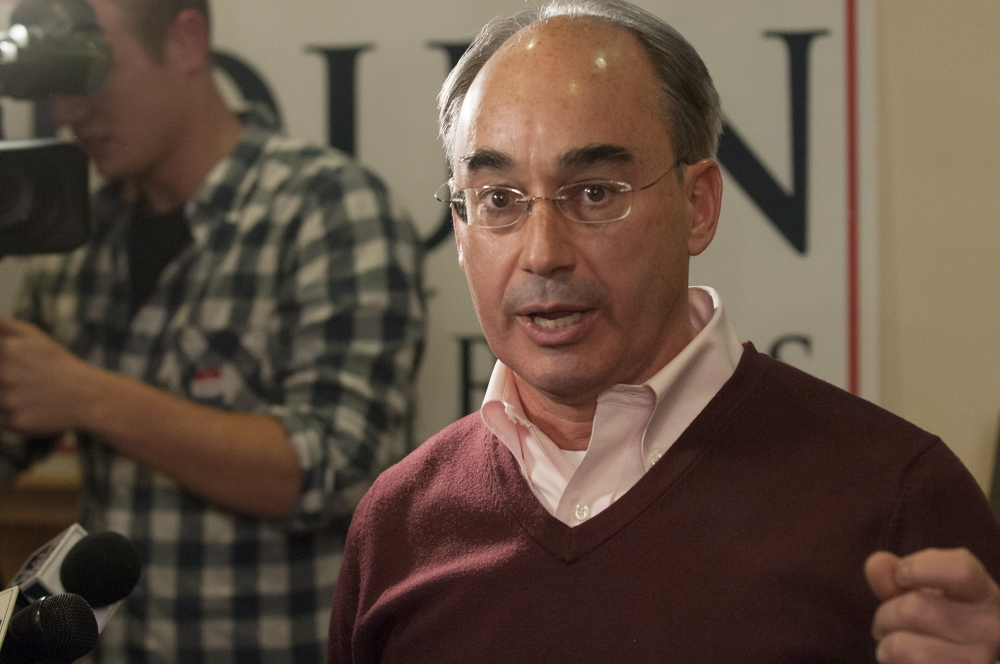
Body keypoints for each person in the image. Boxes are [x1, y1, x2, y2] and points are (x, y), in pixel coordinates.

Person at [327, 1, 1000, 662]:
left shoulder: (895, 499)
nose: (542, 253)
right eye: (498, 200)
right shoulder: (399, 523)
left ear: (697, 205)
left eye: (594, 192)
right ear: (459, 228)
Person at [0, 0, 424, 661]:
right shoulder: (79, 234)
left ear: (187, 41)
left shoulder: (329, 208)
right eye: (56, 86)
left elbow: (336, 469)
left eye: (89, 75)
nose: (67, 114)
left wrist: (86, 394)